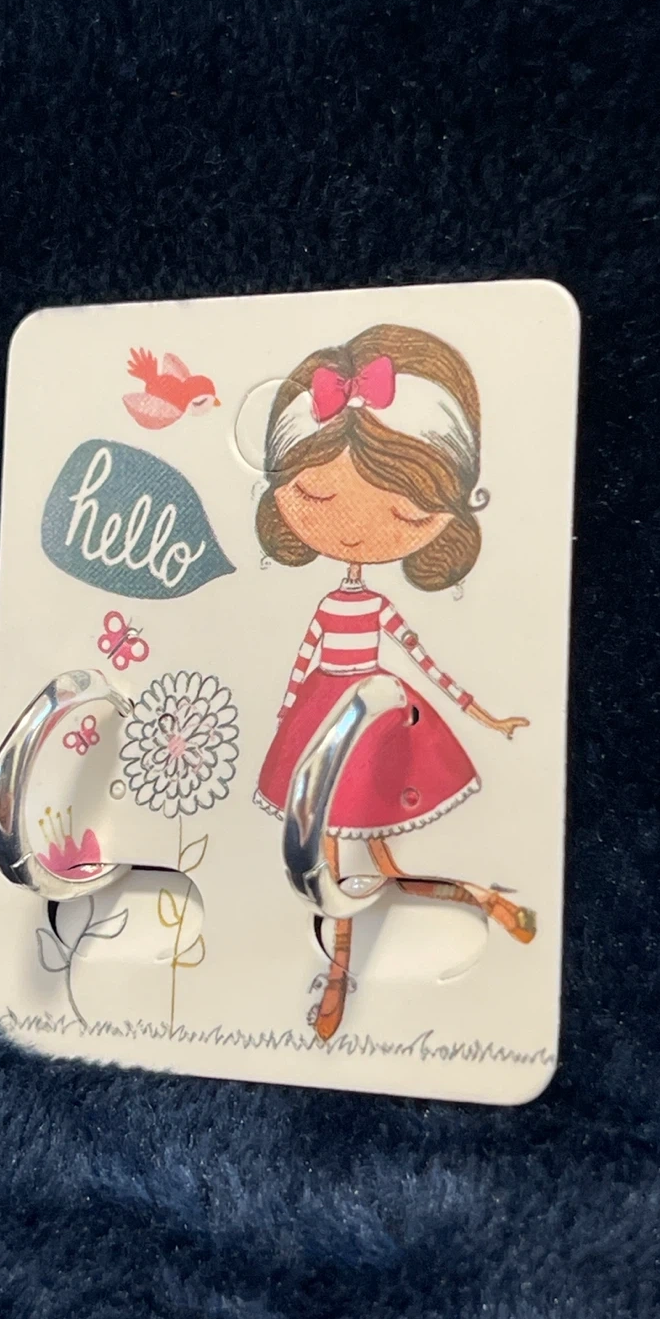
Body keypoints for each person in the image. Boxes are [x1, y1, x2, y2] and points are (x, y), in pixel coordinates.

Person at [254, 323, 536, 1041]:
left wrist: (483, 714)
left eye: (405, 512)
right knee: (334, 860)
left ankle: (460, 908)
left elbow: (424, 662)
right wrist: (285, 726)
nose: (353, 531)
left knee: (375, 857)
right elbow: (300, 665)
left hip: (378, 721)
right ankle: (347, 970)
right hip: (326, 722)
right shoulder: (330, 606)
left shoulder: (379, 606)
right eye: (316, 497)